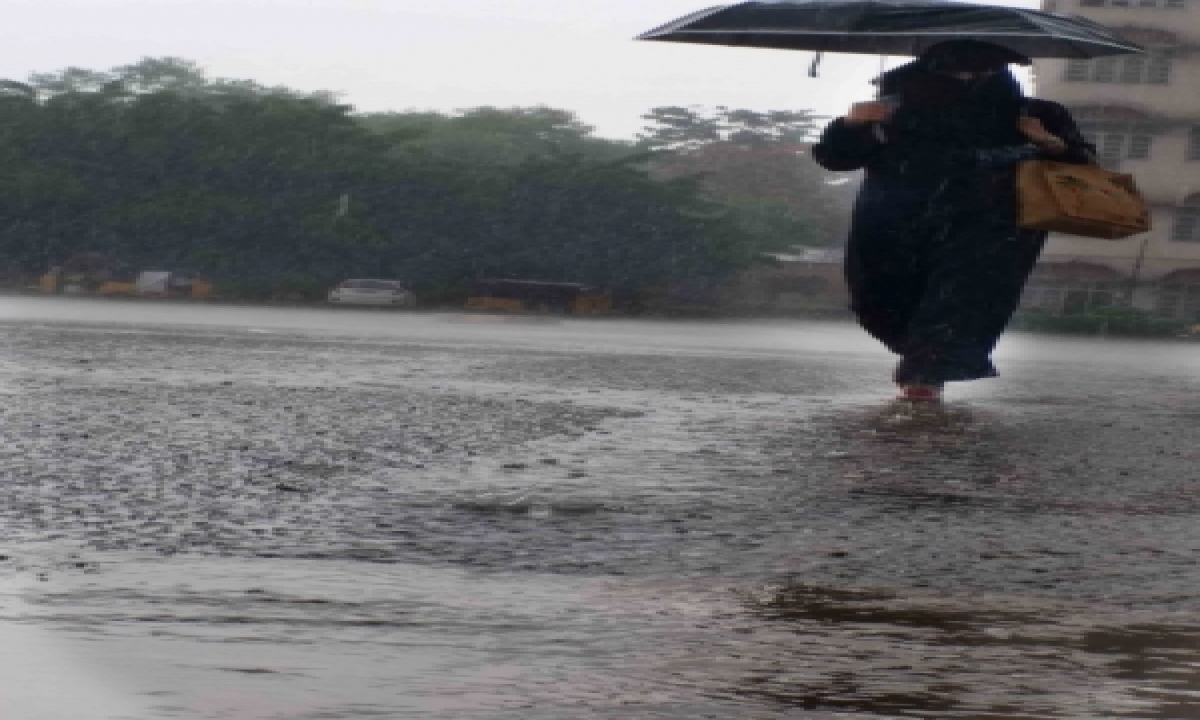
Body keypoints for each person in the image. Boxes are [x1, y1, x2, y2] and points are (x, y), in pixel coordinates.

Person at [812, 39, 1095, 401]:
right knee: (879, 299)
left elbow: (1082, 170)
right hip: (893, 222)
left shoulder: (1034, 114)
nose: (968, 79)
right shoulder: (891, 107)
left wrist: (1049, 143)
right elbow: (835, 159)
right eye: (955, 71)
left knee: (959, 304)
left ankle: (925, 379)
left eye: (982, 71)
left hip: (990, 228)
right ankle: (922, 364)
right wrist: (851, 124)